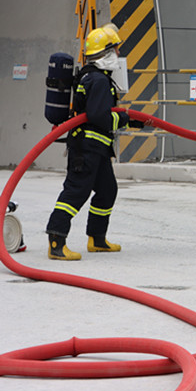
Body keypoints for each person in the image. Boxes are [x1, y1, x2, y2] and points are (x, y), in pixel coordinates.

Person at [45, 24, 146, 260]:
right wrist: (125, 118)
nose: (118, 54)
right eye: (116, 49)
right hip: (87, 147)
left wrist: (131, 119)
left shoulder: (90, 76)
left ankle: (97, 239)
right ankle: (56, 242)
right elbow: (100, 116)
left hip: (96, 148)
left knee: (107, 190)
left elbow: (101, 113)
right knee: (75, 192)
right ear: (107, 52)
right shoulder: (99, 80)